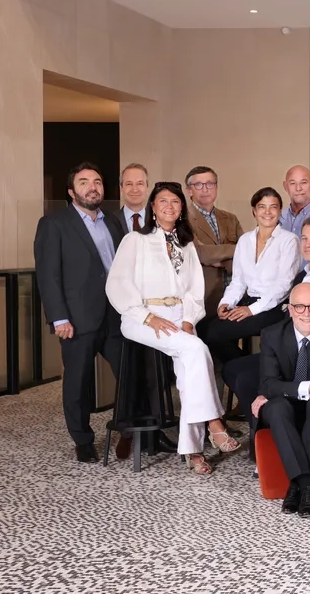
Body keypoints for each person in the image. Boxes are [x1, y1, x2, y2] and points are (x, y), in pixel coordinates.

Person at [106, 182, 239, 475]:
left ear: (182, 208)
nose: (169, 206)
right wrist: (146, 317)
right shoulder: (135, 240)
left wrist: (189, 319)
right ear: (153, 207)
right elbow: (117, 283)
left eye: (175, 202)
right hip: (142, 316)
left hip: (180, 315)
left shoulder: (186, 244)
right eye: (163, 201)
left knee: (192, 363)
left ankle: (193, 451)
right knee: (197, 349)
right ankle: (214, 423)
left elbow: (195, 288)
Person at [222, 215, 310, 448]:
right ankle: (267, 432)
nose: (308, 244)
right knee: (232, 368)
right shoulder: (302, 275)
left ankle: (270, 440)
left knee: (247, 378)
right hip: (289, 347)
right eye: (304, 238)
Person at [35, 162, 128, 462]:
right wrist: (58, 317)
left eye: (97, 182)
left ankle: (126, 428)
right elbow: (48, 275)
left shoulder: (113, 222)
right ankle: (82, 440)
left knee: (130, 373)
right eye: (84, 182)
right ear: (71, 191)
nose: (92, 187)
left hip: (116, 314)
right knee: (78, 381)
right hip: (77, 318)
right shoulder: (54, 223)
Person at [251, 283, 310, 518]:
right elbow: (268, 384)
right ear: (290, 309)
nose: (307, 313)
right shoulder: (272, 334)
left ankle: (296, 486)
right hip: (284, 403)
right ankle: (307, 485)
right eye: (300, 307)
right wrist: (309, 386)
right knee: (276, 407)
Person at [200, 187, 300, 365]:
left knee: (218, 333)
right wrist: (226, 303)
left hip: (276, 306)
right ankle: (245, 366)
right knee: (208, 331)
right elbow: (238, 281)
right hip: (249, 301)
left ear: (280, 211)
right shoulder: (245, 240)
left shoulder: (289, 240)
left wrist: (250, 310)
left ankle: (247, 369)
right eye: (262, 207)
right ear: (254, 211)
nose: (267, 212)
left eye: (273, 207)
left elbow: (283, 286)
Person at [185, 166, 244, 319]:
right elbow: (200, 253)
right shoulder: (183, 220)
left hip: (235, 295)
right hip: (204, 296)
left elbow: (247, 254)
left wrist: (218, 260)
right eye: (198, 184)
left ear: (216, 187)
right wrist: (234, 251)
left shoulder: (231, 218)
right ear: (189, 191)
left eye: (210, 184)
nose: (205, 189)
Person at [119, 163, 150, 232]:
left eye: (140, 183)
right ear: (121, 189)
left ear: (147, 188)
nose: (135, 190)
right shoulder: (110, 221)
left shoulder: (157, 221)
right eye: (129, 184)